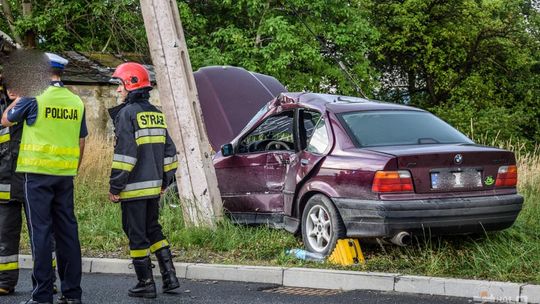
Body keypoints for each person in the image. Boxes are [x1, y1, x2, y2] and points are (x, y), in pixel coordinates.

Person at [1, 52, 87, 304]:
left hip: (36, 177)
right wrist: (73, 168)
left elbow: (6, 120)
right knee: (68, 234)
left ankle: (42, 295)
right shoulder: (75, 101)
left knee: (40, 233)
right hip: (65, 176)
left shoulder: (33, 96)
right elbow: (81, 140)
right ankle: (72, 294)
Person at [108, 62, 179, 299]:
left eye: (119, 85)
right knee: (153, 229)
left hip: (133, 189)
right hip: (153, 188)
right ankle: (170, 278)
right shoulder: (156, 114)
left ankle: (145, 283)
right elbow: (170, 152)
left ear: (131, 84)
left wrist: (115, 186)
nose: (118, 91)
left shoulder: (127, 114)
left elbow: (125, 155)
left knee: (136, 233)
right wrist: (164, 183)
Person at [0, 79, 24, 296]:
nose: (11, 91)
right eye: (8, 88)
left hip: (31, 183)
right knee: (5, 237)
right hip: (6, 185)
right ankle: (5, 282)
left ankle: (47, 280)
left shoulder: (33, 110)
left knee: (43, 236)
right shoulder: (4, 116)